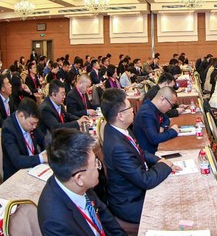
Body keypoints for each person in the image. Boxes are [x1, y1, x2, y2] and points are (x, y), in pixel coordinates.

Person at [102, 88, 178, 223]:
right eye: (130, 107)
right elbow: (145, 180)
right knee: (173, 207)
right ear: (120, 116)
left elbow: (140, 151)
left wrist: (159, 160)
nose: (133, 110)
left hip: (137, 185)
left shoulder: (120, 129)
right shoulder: (117, 146)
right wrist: (164, 166)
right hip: (131, 201)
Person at [37, 128, 126, 235]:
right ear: (79, 178)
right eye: (95, 163)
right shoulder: (56, 223)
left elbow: (105, 216)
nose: (98, 167)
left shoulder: (73, 181)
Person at [1, 98, 46, 180]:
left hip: (35, 168)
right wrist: (42, 158)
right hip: (16, 174)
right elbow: (17, 160)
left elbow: (43, 140)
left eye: (36, 124)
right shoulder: (8, 129)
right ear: (21, 116)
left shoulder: (31, 124)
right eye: (32, 123)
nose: (34, 127)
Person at [132, 86, 180, 154]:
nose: (170, 108)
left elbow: (166, 119)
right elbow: (155, 139)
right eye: (171, 105)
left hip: (157, 147)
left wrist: (162, 127)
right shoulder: (146, 112)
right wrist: (173, 131)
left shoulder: (154, 107)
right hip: (149, 153)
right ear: (162, 98)